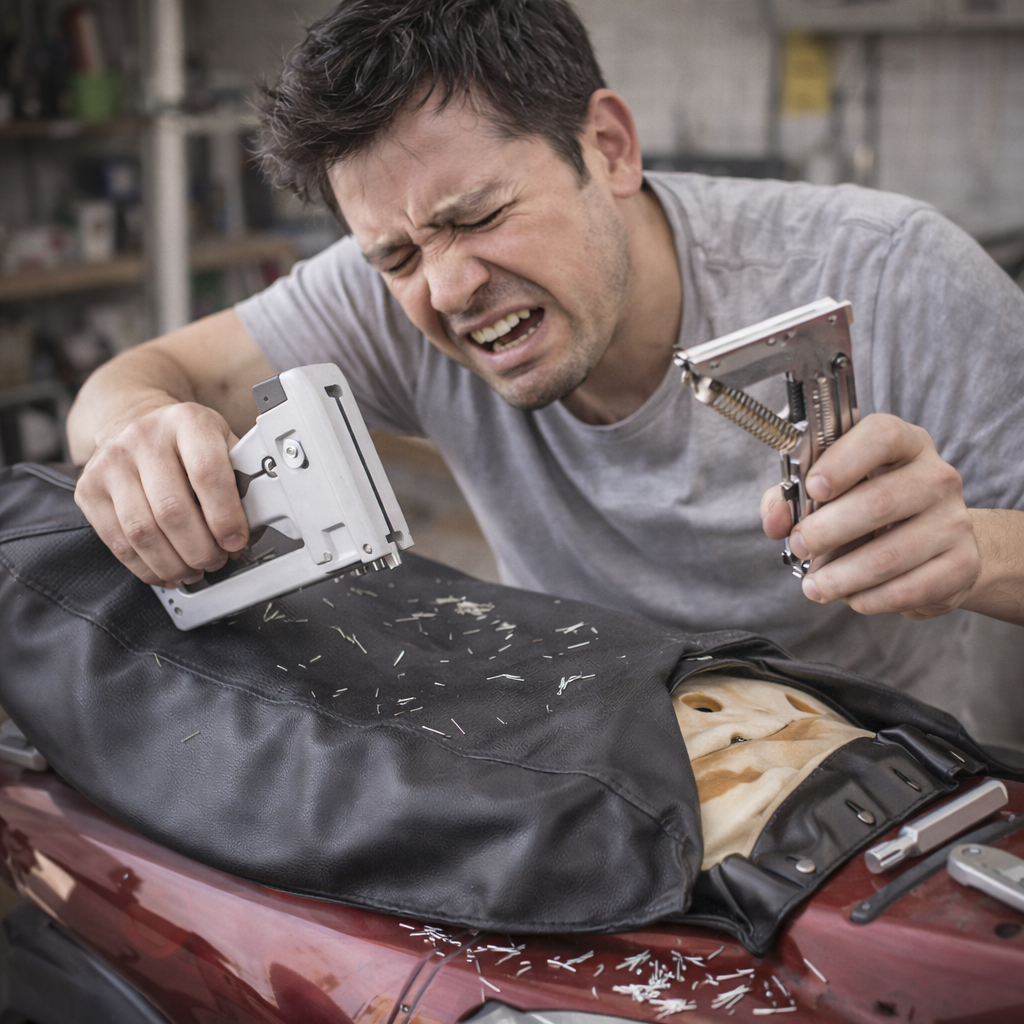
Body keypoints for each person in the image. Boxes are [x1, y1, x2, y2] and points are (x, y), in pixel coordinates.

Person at [67, 0, 1024, 722]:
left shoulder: (894, 270)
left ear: (608, 148)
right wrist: (139, 437)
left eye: (480, 215)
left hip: (866, 784)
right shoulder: (396, 288)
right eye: (396, 256)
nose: (447, 289)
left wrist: (969, 552)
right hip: (597, 769)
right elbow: (143, 378)